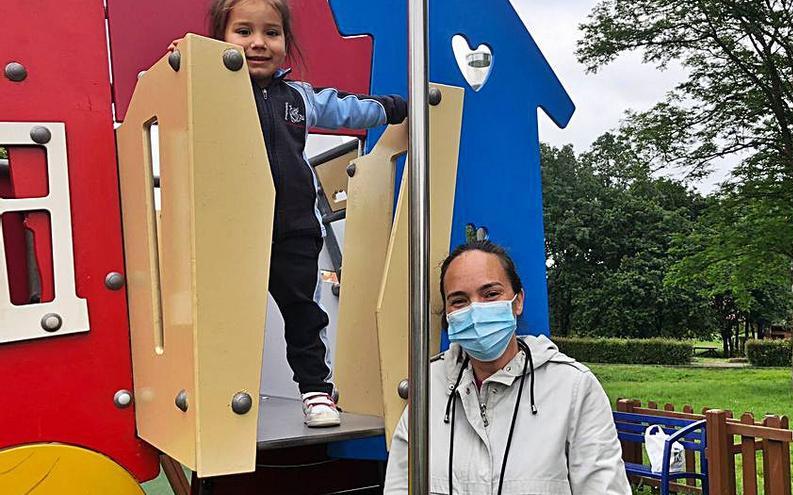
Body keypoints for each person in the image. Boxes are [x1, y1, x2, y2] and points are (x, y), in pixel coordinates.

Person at [169, 0, 407, 428]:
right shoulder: (207, 86)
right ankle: (221, 393)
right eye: (244, 32)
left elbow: (345, 109)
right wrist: (180, 63)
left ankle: (316, 391)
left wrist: (388, 108)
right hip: (234, 229)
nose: (259, 43)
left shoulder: (299, 97)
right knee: (226, 312)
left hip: (295, 228)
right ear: (220, 39)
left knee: (304, 312)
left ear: (285, 42)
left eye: (272, 33)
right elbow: (166, 95)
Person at [384, 240, 630, 494]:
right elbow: (400, 486)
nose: (476, 309)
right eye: (459, 301)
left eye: (491, 294)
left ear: (518, 301)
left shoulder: (574, 389)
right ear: (447, 314)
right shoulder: (428, 387)